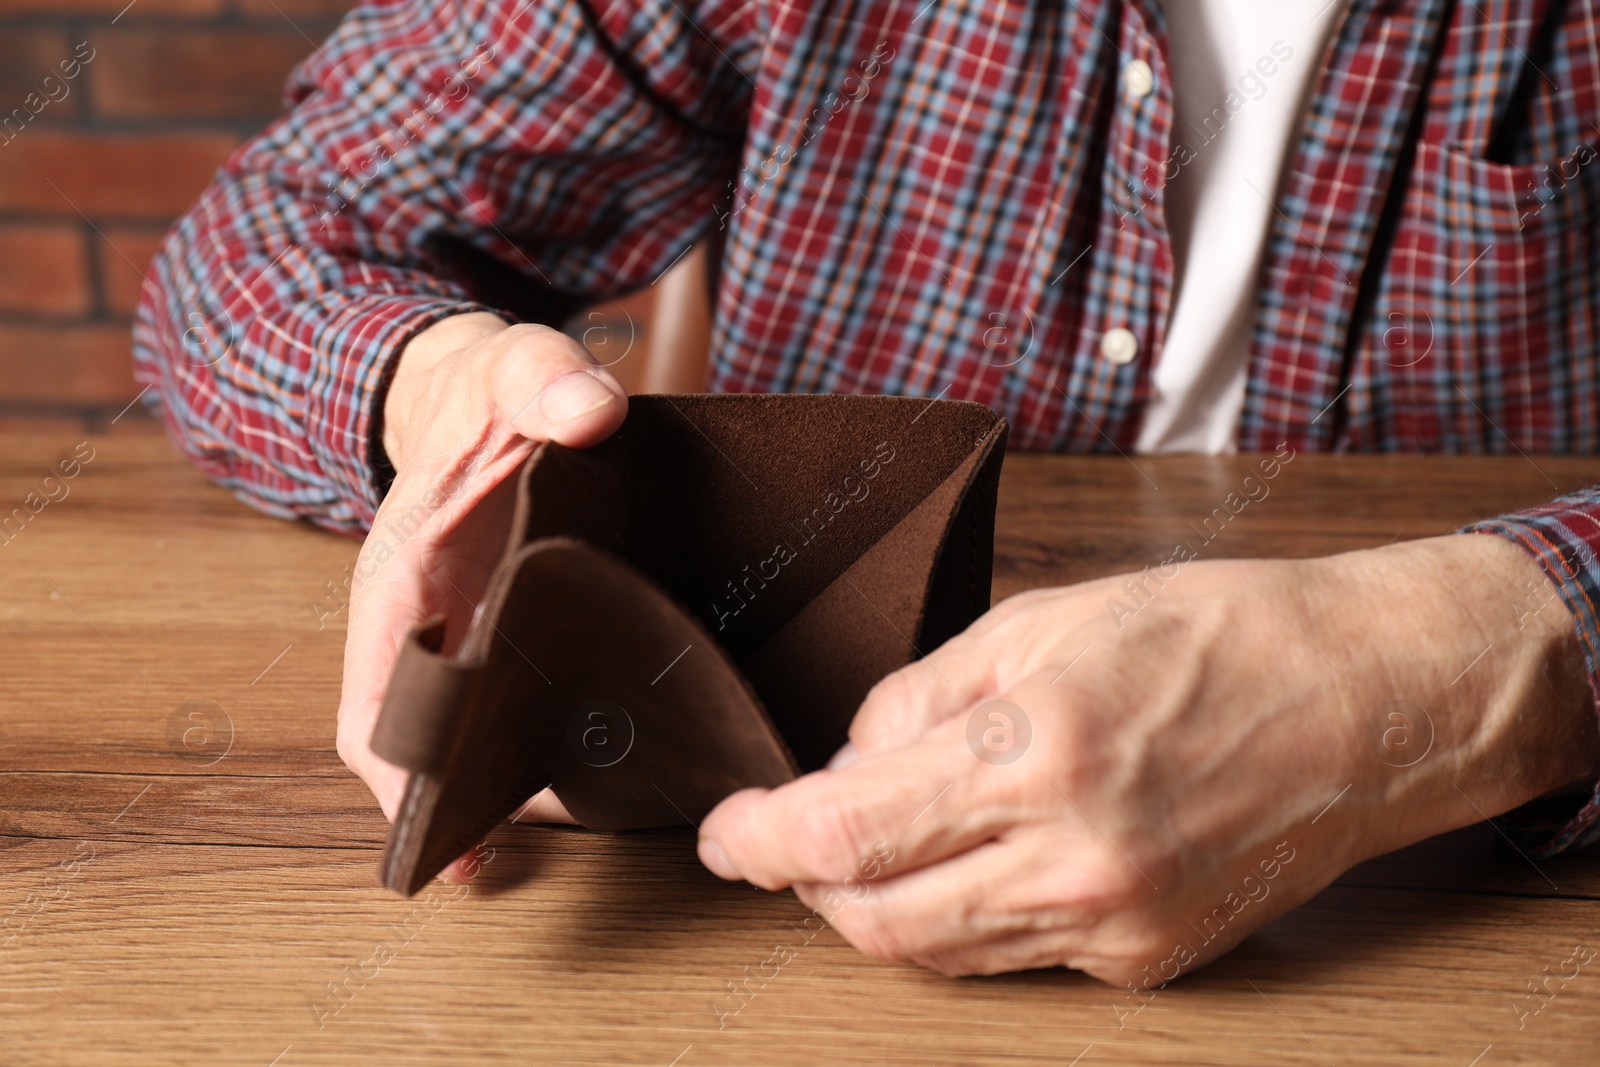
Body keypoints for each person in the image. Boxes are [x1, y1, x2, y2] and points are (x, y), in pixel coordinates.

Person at [132, 0, 1600, 987]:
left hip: (1449, 927)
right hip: (764, 957)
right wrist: (436, 392)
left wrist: (1462, 661)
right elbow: (272, 238)